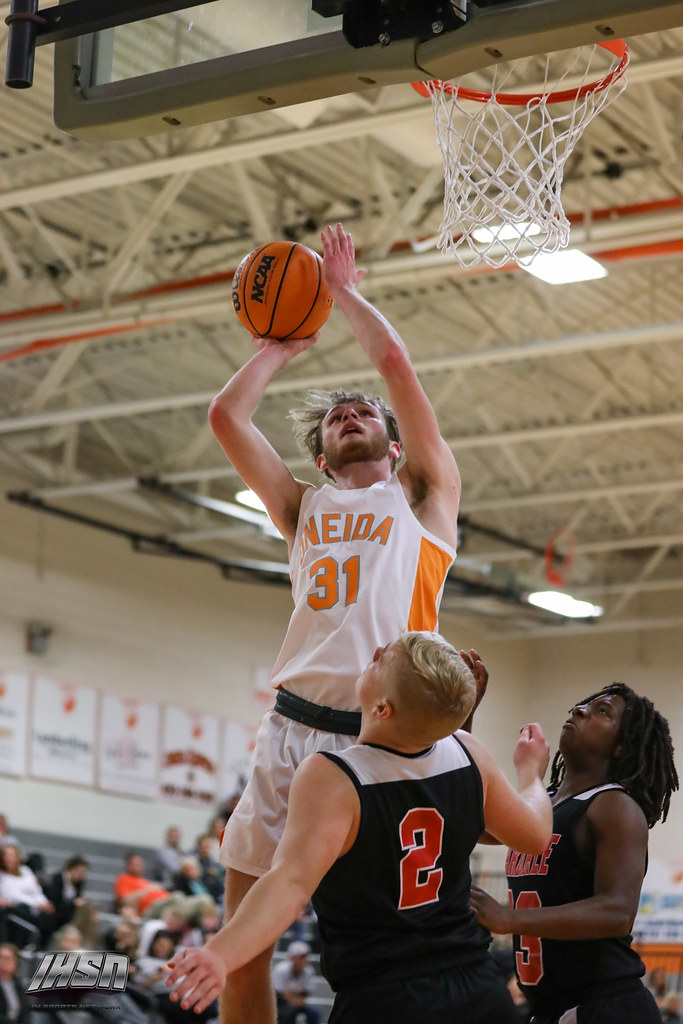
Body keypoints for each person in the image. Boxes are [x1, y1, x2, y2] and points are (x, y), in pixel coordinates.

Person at [211, 222, 462, 1024]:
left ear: (393, 445)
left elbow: (395, 367)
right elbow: (226, 416)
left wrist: (345, 292)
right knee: (239, 941)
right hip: (288, 732)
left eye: (365, 413)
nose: (352, 413)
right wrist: (284, 342)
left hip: (380, 741)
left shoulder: (423, 497)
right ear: (320, 456)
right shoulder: (302, 506)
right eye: (335, 417)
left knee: (391, 949)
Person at [165, 631, 552, 1024]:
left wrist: (219, 954)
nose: (377, 650)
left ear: (383, 708)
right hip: (478, 992)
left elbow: (290, 883)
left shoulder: (333, 776)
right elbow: (535, 835)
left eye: (382, 659)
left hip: (385, 999)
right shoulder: (471, 753)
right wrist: (530, 773)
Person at [470, 680, 679, 1024]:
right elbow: (467, 818)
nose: (580, 709)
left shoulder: (613, 805)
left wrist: (510, 919)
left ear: (621, 746)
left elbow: (617, 911)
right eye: (585, 704)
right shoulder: (542, 804)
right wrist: (459, 717)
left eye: (602, 712)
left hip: (606, 1005)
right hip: (551, 1007)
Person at [0, 844, 56, 948]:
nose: (9, 859)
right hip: (18, 908)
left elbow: (36, 890)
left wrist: (44, 903)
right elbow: (13, 895)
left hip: (34, 909)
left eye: (12, 855)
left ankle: (40, 948)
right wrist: (37, 905)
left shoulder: (25, 870)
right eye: (6, 855)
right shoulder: (2, 875)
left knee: (50, 917)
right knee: (22, 909)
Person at [44, 854, 98, 947]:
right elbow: (55, 901)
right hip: (56, 914)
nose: (81, 876)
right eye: (80, 872)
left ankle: (86, 942)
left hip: (69, 913)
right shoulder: (58, 878)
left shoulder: (79, 883)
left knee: (89, 908)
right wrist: (73, 903)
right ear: (72, 869)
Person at [272, 940, 320, 1024]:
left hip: (297, 1003)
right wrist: (295, 998)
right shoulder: (281, 970)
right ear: (292, 957)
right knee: (286, 1013)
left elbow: (305, 996)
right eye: (300, 957)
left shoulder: (308, 971)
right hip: (280, 1004)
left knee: (314, 1012)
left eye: (305, 957)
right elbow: (279, 994)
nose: (303, 960)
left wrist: (293, 998)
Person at [0, 943, 31, 1022]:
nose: (9, 961)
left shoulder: (17, 983)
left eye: (12, 958)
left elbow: (25, 1011)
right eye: (4, 958)